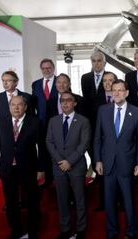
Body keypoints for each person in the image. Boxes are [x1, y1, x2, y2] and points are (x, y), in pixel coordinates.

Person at [93, 80, 138, 239]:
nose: (116, 93)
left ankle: (131, 232)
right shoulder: (103, 111)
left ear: (127, 93)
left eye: (120, 90)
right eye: (114, 90)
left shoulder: (136, 112)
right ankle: (112, 232)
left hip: (127, 164)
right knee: (109, 202)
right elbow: (97, 138)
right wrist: (98, 160)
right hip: (107, 164)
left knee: (128, 202)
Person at [0, 96, 45, 239]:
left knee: (32, 201)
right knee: (11, 202)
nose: (16, 107)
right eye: (13, 105)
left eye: (20, 105)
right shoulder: (1, 123)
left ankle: (33, 230)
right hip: (8, 168)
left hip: (28, 168)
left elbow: (42, 147)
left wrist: (41, 168)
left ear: (25, 107)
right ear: (9, 107)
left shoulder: (35, 122)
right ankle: (16, 229)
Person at [46, 92, 91, 239]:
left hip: (76, 166)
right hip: (58, 166)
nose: (65, 103)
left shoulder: (83, 121)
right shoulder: (53, 121)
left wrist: (69, 161)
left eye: (69, 100)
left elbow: (84, 144)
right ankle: (65, 229)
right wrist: (61, 161)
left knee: (79, 199)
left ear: (74, 103)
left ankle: (81, 229)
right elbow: (49, 142)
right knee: (62, 199)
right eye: (62, 101)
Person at [80, 51, 107, 211]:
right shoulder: (85, 78)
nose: (96, 63)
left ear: (104, 63)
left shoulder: (110, 76)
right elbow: (87, 99)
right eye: (94, 61)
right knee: (91, 147)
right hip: (90, 120)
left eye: (99, 61)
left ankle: (102, 174)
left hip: (105, 121)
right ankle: (98, 172)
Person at [32, 58, 58, 185]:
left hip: (57, 124)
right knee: (43, 150)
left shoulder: (60, 82)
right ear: (41, 69)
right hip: (41, 124)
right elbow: (34, 105)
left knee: (57, 151)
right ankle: (47, 179)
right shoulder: (36, 84)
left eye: (49, 68)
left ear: (53, 68)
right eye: (44, 68)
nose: (46, 70)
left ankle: (58, 178)